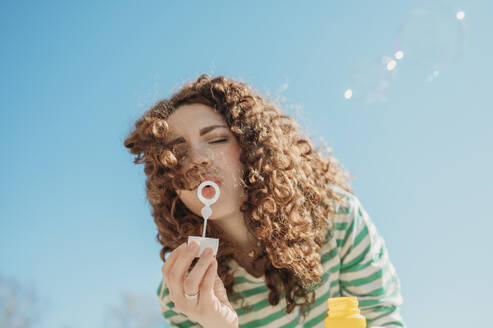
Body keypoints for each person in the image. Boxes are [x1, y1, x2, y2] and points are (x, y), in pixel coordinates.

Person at [123, 74, 406, 327]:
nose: (198, 160)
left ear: (254, 146)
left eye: (218, 139)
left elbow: (382, 320)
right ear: (168, 183)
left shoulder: (337, 218)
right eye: (178, 154)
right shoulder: (184, 291)